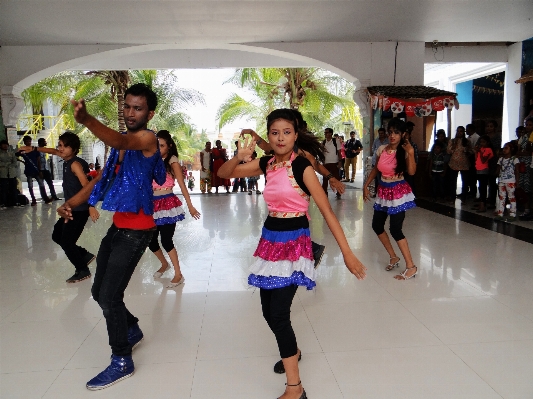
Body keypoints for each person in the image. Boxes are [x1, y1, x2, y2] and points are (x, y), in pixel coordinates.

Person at [217, 108, 366, 399]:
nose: (280, 137)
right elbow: (224, 174)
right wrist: (239, 156)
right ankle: (293, 351)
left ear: (296, 135)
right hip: (270, 241)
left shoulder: (302, 167)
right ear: (268, 137)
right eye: (275, 132)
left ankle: (295, 388)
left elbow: (326, 211)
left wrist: (347, 253)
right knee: (266, 312)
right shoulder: (267, 164)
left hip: (295, 243)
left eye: (286, 132)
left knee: (278, 313)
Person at [59, 83, 167, 390]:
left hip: (138, 231)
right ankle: (130, 328)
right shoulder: (120, 149)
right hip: (119, 227)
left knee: (109, 296)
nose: (130, 113)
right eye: (127, 107)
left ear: (149, 113)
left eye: (138, 108)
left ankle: (122, 360)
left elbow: (120, 137)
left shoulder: (146, 139)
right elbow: (100, 182)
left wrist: (88, 121)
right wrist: (71, 203)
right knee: (98, 293)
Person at [240, 110, 344, 267]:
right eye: (276, 131)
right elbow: (268, 147)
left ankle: (309, 252)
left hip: (297, 190)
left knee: (296, 227)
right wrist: (253, 134)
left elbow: (316, 164)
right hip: (280, 190)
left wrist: (331, 178)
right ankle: (310, 250)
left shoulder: (298, 151)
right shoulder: (280, 148)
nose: (282, 135)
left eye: (288, 129)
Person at [19, 132, 96, 282]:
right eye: (59, 145)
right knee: (57, 235)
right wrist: (34, 149)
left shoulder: (75, 164)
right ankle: (84, 255)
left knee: (67, 242)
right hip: (71, 209)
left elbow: (87, 187)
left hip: (79, 210)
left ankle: (82, 269)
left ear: (73, 149)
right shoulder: (67, 159)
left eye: (64, 146)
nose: (60, 149)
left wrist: (91, 206)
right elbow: (53, 151)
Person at [363, 118, 417, 280]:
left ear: (403, 135)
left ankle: (411, 266)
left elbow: (412, 172)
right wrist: (366, 185)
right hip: (383, 191)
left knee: (395, 229)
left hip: (398, 193)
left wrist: (411, 153)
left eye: (396, 132)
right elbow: (375, 168)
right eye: (390, 132)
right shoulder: (381, 149)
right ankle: (393, 256)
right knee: (377, 225)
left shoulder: (405, 151)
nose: (392, 135)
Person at [150, 130, 201, 288]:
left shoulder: (172, 162)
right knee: (150, 241)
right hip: (152, 203)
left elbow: (182, 185)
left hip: (167, 203)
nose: (159, 148)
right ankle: (164, 264)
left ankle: (178, 274)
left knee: (166, 240)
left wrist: (191, 206)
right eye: (157, 145)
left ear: (169, 146)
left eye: (162, 145)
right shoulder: (152, 160)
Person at [16, 136, 52, 205]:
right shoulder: (23, 150)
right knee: (30, 186)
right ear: (24, 142)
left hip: (36, 170)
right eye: (27, 141)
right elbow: (16, 155)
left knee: (41, 184)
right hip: (29, 170)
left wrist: (40, 170)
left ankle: (46, 198)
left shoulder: (34, 149)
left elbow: (38, 160)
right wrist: (23, 161)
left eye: (29, 141)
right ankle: (33, 199)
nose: (28, 143)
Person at [494, 142, 519, 221]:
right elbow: (498, 170)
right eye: (504, 148)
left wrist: (517, 181)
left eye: (506, 148)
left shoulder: (514, 159)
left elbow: (517, 171)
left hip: (511, 181)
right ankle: (500, 213)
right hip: (502, 181)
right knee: (501, 197)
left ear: (511, 149)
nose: (504, 150)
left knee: (511, 197)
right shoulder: (501, 159)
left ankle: (512, 214)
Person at [447, 126, 472, 201]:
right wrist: (453, 147)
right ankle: (452, 197)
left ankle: (464, 197)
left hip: (464, 163)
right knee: (453, 181)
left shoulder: (467, 141)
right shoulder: (452, 141)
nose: (459, 133)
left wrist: (467, 150)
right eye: (458, 131)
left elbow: (471, 152)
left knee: (465, 181)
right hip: (453, 163)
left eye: (461, 131)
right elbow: (448, 151)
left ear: (463, 132)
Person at [471, 135, 494, 213]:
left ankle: (483, 205)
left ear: (487, 142)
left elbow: (484, 160)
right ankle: (481, 204)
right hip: (478, 169)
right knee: (480, 187)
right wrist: (476, 152)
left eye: (483, 142)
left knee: (483, 187)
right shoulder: (481, 149)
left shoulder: (488, 150)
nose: (481, 143)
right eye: (481, 142)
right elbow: (476, 159)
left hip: (484, 170)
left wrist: (480, 151)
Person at [322, 128, 343, 199]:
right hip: (326, 163)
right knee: (325, 179)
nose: (325, 134)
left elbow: (339, 152)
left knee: (336, 178)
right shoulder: (324, 142)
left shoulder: (335, 141)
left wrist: (340, 162)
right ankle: (324, 193)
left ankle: (339, 192)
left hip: (334, 162)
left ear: (331, 133)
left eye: (327, 133)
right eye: (325, 133)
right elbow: (322, 152)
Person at [0, 140, 19, 209]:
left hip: (12, 173)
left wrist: (7, 165)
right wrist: (7, 164)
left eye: (6, 145)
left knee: (13, 188)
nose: (5, 146)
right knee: (3, 189)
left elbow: (15, 162)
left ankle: (15, 202)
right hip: (3, 173)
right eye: (3, 144)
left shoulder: (11, 153)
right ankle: (3, 203)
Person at [371, 127, 389, 197]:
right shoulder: (376, 141)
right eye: (379, 133)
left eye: (382, 133)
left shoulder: (388, 141)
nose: (380, 135)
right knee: (376, 178)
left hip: (384, 163)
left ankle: (383, 192)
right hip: (375, 161)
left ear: (385, 134)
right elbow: (373, 149)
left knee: (383, 178)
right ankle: (377, 192)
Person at [466, 124, 480, 198]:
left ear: (471, 129)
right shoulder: (468, 137)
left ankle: (473, 192)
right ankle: (469, 191)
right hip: (469, 158)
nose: (466, 131)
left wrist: (470, 151)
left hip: (473, 158)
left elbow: (475, 149)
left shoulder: (476, 137)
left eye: (467, 129)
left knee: (472, 176)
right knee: (468, 176)